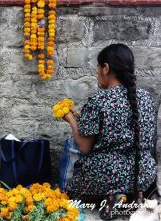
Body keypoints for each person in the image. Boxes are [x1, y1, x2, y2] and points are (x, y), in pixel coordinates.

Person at [63, 43, 157, 220]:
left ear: (105, 68)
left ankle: (112, 195)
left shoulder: (99, 100)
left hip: (106, 174)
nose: (98, 73)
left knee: (71, 192)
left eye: (98, 68)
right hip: (144, 172)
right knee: (127, 173)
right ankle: (131, 195)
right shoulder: (145, 98)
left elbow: (84, 147)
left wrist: (71, 120)